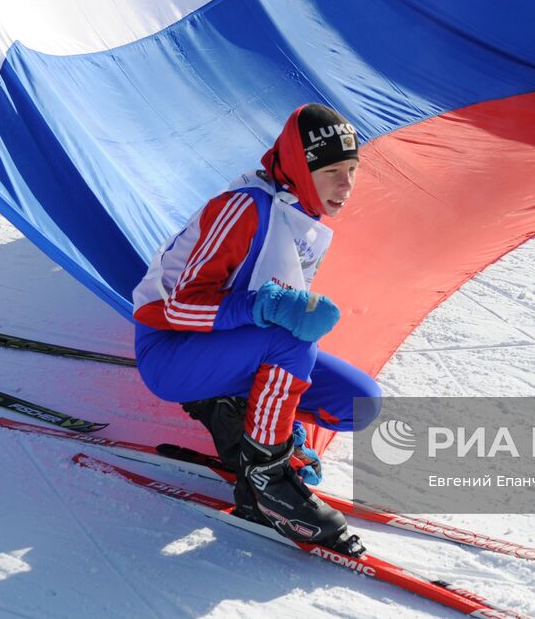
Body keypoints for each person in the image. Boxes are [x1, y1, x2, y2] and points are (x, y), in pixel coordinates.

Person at [132, 103, 381, 554]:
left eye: (352, 169)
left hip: (231, 350)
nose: (346, 185)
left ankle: (241, 417)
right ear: (302, 169)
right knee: (290, 337)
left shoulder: (306, 219)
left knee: (361, 403)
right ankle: (267, 478)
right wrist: (267, 306)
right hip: (171, 352)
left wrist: (278, 312)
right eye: (331, 172)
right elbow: (173, 307)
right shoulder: (246, 207)